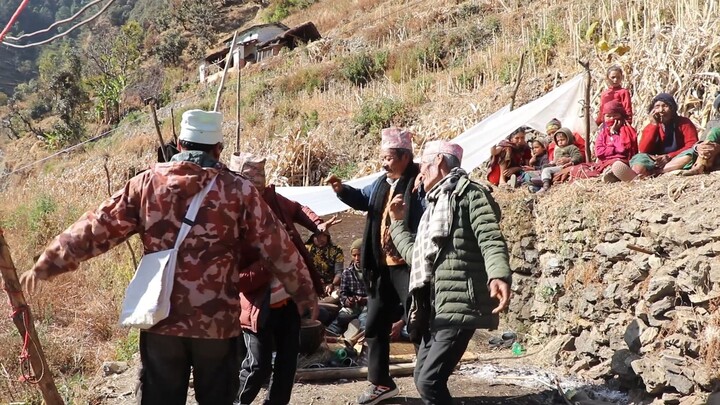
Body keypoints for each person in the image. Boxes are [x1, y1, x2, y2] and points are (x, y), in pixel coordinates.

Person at [19, 110, 318, 405]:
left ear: (179, 144)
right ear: (218, 149)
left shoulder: (145, 185)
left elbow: (96, 228)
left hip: (161, 319)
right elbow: (279, 249)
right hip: (216, 326)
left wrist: (46, 263)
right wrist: (305, 298)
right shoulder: (238, 191)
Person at [387, 140, 512, 405]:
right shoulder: (433, 208)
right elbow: (416, 256)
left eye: (424, 166)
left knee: (428, 381)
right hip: (434, 307)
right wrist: (397, 223)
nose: (420, 173)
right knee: (423, 375)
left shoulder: (470, 195)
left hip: (460, 304)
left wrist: (498, 274)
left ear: (440, 162)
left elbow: (490, 237)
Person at [325, 127, 424, 405]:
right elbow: (363, 199)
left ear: (405, 157)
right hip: (380, 267)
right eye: (382, 157)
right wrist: (341, 190)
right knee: (374, 324)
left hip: (408, 265)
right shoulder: (381, 183)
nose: (384, 163)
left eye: (389, 157)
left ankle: (430, 380)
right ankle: (381, 383)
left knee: (418, 322)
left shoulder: (419, 183)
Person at [228, 153, 337, 405]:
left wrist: (317, 225)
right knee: (258, 367)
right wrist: (269, 261)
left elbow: (299, 209)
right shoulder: (231, 216)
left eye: (261, 178)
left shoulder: (274, 201)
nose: (258, 184)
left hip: (288, 300)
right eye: (251, 179)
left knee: (287, 364)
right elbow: (237, 280)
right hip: (257, 305)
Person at [615, 93, 698, 180]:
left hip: (676, 158)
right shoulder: (651, 126)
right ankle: (636, 175)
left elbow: (691, 144)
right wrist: (654, 125)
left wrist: (669, 156)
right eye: (657, 106)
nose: (661, 110)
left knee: (691, 154)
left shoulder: (684, 123)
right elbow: (643, 150)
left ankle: (656, 172)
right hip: (656, 160)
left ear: (672, 108)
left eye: (665, 106)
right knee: (639, 159)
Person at [666, 94, 720, 176]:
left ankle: (699, 165)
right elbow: (701, 141)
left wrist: (718, 148)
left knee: (715, 131)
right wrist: (699, 147)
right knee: (691, 153)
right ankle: (700, 165)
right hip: (709, 155)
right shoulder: (713, 123)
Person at [327, 238, 369, 336]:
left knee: (365, 319)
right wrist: (347, 301)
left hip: (368, 305)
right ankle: (332, 333)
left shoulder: (374, 272)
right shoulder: (347, 272)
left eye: (360, 255)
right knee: (341, 318)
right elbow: (343, 294)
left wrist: (365, 299)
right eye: (354, 255)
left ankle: (360, 334)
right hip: (353, 306)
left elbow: (378, 295)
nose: (357, 258)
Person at [536, 127, 583, 193]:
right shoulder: (558, 150)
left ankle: (546, 186)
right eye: (558, 141)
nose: (560, 142)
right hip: (557, 166)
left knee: (547, 170)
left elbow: (578, 156)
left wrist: (569, 160)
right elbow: (556, 159)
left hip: (564, 166)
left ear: (568, 139)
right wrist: (553, 162)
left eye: (562, 139)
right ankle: (543, 180)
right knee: (544, 167)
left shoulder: (571, 147)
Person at [306, 230, 345, 295]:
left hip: (331, 285)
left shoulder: (336, 250)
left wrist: (332, 284)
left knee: (338, 295)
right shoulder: (306, 249)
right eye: (318, 235)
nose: (321, 239)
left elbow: (339, 272)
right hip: (312, 284)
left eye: (324, 235)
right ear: (312, 237)